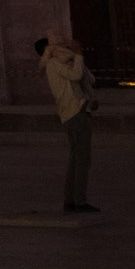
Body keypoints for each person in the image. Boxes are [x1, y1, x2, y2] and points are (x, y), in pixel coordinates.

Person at [36, 34, 97, 213]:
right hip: (75, 113)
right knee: (82, 159)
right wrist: (78, 54)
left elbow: (89, 78)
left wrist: (75, 58)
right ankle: (79, 200)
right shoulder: (54, 65)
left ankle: (71, 199)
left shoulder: (62, 63)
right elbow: (76, 75)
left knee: (75, 158)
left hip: (74, 113)